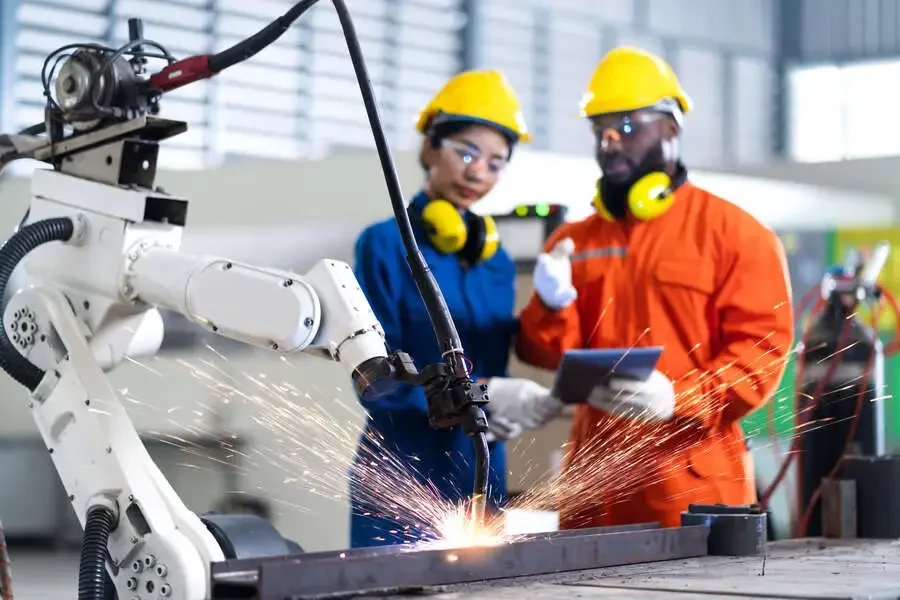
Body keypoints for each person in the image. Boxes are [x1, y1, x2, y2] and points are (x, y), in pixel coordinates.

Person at [515, 46, 795, 529]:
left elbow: (762, 350)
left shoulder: (736, 234)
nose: (608, 142)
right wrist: (549, 304)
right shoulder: (573, 242)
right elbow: (544, 354)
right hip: (592, 484)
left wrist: (681, 398)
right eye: (599, 129)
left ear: (671, 127)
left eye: (626, 126)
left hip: (691, 484)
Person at [349, 70, 560, 547]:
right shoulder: (385, 244)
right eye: (465, 152)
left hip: (479, 474)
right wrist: (481, 394)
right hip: (399, 476)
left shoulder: (497, 262)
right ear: (428, 148)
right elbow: (373, 381)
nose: (477, 172)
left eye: (495, 162)